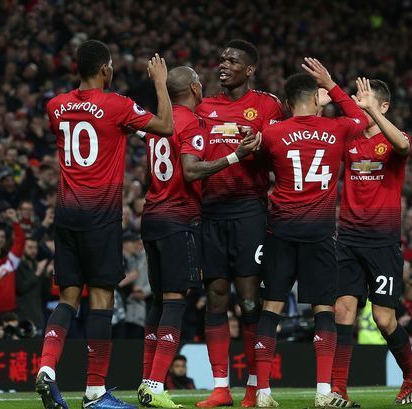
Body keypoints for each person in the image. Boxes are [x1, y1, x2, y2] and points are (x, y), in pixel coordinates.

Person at [36, 39, 174, 409]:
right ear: (105, 70)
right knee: (100, 300)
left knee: (67, 298)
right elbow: (166, 126)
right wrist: (159, 83)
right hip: (100, 217)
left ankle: (47, 369)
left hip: (66, 214)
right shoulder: (116, 104)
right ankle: (95, 392)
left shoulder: (56, 106)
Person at [138, 66, 260, 408]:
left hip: (152, 217)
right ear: (193, 88)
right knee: (176, 302)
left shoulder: (156, 123)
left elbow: (148, 172)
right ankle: (153, 384)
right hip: (179, 218)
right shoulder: (191, 123)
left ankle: (146, 381)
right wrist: (237, 155)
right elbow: (191, 170)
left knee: (159, 302)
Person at [254, 58, 367, 408]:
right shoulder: (335, 128)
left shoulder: (272, 132)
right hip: (319, 232)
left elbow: (260, 163)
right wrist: (332, 83)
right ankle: (322, 393)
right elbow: (362, 118)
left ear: (288, 103)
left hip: (282, 229)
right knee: (323, 311)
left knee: (271, 309)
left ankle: (262, 393)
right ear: (316, 98)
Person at [193, 39, 283, 408]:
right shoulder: (204, 106)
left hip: (249, 211)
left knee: (249, 302)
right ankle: (220, 388)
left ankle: (254, 386)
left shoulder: (268, 105)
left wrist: (260, 144)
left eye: (232, 60)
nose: (223, 64)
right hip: (211, 211)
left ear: (250, 69)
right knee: (215, 298)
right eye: (222, 59)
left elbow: (279, 151)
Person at [331, 77, 412, 405]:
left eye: (366, 101)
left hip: (382, 242)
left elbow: (403, 146)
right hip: (348, 238)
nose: (359, 105)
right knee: (343, 311)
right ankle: (338, 389)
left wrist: (373, 112)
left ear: (383, 106)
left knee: (383, 319)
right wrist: (329, 87)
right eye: (357, 100)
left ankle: (411, 376)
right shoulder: (350, 138)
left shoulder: (394, 140)